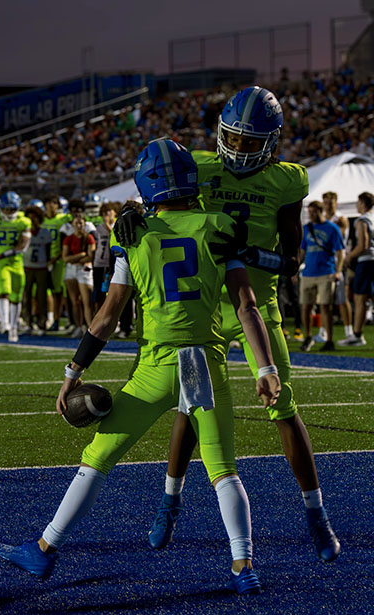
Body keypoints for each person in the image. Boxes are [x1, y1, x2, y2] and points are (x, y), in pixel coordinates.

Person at [0, 139, 280, 597]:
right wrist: (266, 368)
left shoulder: (135, 234)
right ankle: (243, 567)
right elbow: (247, 306)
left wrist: (72, 372)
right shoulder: (219, 226)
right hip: (206, 364)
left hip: (156, 367)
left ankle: (44, 548)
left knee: (97, 459)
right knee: (223, 470)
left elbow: (106, 318)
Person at [115, 87, 341, 563]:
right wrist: (131, 216)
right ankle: (169, 501)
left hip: (255, 305)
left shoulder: (287, 181)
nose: (237, 149)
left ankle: (316, 514)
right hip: (203, 309)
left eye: (248, 141)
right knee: (189, 407)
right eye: (233, 139)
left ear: (272, 141)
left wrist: (251, 254)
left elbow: (293, 260)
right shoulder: (197, 165)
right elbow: (158, 202)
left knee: (284, 405)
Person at [299, 201, 345, 352]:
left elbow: (340, 252)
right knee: (306, 306)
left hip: (326, 271)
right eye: (309, 212)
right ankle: (308, 336)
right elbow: (302, 251)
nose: (311, 215)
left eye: (313, 212)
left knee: (326, 307)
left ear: (320, 211)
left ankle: (329, 339)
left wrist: (337, 271)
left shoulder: (332, 228)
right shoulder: (306, 228)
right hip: (308, 272)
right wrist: (296, 267)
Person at [0, 192, 32, 342]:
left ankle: (13, 327)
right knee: (4, 292)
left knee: (16, 297)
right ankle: (5, 324)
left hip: (16, 262)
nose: (9, 212)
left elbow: (22, 244)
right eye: (6, 209)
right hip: (0, 264)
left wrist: (6, 253)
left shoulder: (23, 221)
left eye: (12, 209)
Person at [338, 191, 374, 346]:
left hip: (366, 262)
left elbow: (363, 245)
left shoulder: (362, 220)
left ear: (363, 203)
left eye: (358, 203)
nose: (356, 206)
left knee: (360, 299)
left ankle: (357, 335)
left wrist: (349, 256)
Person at [321, 191, 353, 342]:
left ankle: (349, 331)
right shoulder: (322, 220)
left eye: (331, 202)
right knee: (324, 299)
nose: (328, 205)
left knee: (342, 298)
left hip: (337, 262)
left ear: (336, 203)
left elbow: (335, 238)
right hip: (325, 263)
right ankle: (323, 331)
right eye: (326, 202)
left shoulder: (340, 219)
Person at [62, 215, 96, 337]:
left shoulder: (89, 237)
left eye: (81, 223)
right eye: (76, 223)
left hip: (84, 269)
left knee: (86, 301)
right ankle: (78, 326)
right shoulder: (69, 238)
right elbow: (65, 258)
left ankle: (90, 328)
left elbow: (90, 256)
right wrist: (80, 255)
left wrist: (76, 258)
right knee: (74, 301)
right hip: (71, 269)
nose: (78, 226)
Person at [22, 205, 52, 334]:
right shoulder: (23, 232)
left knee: (41, 297)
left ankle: (42, 323)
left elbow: (48, 251)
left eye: (35, 217)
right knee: (26, 297)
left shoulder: (45, 233)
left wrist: (47, 264)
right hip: (26, 267)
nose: (32, 220)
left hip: (41, 268)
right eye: (30, 217)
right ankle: (28, 322)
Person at [42, 194, 68, 331]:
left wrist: (56, 257)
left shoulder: (63, 219)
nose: (51, 205)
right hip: (42, 260)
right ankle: (44, 318)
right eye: (49, 202)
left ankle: (56, 319)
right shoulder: (41, 220)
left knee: (58, 292)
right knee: (42, 293)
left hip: (58, 261)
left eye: (54, 203)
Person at [92, 201, 118, 312]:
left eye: (109, 212)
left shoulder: (117, 224)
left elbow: (114, 236)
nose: (106, 215)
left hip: (112, 263)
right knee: (99, 291)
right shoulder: (98, 228)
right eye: (104, 213)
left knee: (111, 291)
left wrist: (108, 225)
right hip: (99, 262)